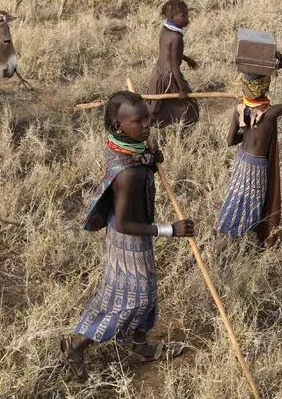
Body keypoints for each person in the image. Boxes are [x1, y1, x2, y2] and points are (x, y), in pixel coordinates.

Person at [60, 92, 193, 380]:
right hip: (129, 237)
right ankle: (76, 344)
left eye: (147, 118)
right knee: (131, 300)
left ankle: (140, 346)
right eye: (139, 121)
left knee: (140, 294)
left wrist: (150, 158)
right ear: (120, 126)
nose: (147, 125)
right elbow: (124, 223)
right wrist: (171, 230)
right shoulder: (128, 173)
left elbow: (139, 160)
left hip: (133, 231)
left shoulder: (125, 146)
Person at [216, 54, 282, 247]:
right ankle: (233, 243)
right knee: (251, 205)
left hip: (241, 160)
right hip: (256, 166)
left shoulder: (240, 110)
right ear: (265, 86)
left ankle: (224, 239)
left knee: (235, 199)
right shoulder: (269, 113)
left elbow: (231, 140)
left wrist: (248, 134)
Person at [146, 0, 199, 127]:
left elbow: (169, 53)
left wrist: (187, 59)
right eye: (183, 16)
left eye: (187, 15)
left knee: (155, 105)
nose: (187, 19)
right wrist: (181, 89)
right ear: (172, 17)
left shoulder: (165, 30)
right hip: (169, 77)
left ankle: (151, 128)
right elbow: (175, 65)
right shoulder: (177, 38)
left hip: (158, 73)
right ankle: (181, 131)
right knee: (188, 106)